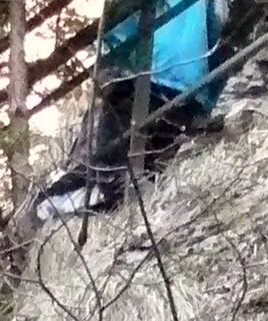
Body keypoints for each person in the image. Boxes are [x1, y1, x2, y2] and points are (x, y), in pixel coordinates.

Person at [35, 0, 225, 220]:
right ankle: (100, 192)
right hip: (189, 86)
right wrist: (207, 97)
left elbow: (117, 30)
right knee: (141, 153)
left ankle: (85, 195)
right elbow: (215, 27)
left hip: (147, 74)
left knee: (111, 156)